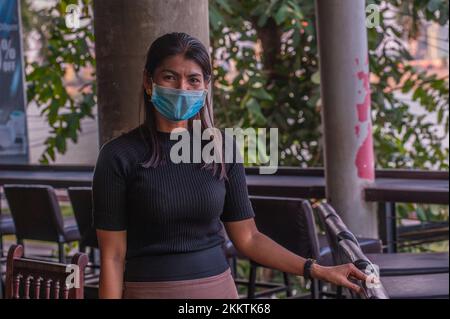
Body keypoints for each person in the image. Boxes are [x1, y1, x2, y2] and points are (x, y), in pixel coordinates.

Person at [92, 32, 367, 299]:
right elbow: (113, 257)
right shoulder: (118, 156)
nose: (182, 88)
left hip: (218, 290)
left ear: (205, 87)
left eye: (193, 80)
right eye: (170, 77)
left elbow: (248, 238)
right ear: (149, 82)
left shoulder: (221, 148)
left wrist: (316, 269)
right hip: (148, 291)